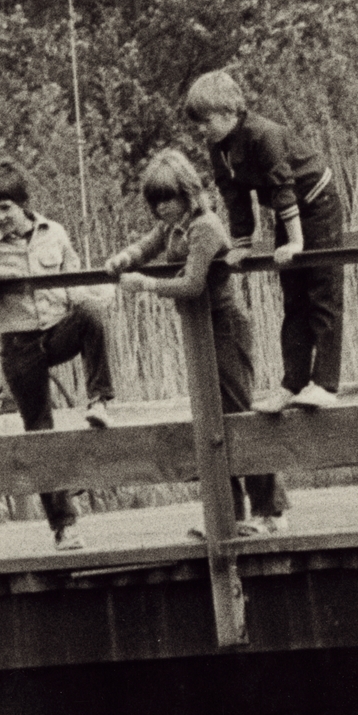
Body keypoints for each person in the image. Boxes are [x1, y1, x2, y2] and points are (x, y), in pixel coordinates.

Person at [105, 148, 289, 535]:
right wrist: (125, 258)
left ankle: (271, 511)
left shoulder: (204, 226)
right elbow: (149, 243)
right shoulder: (175, 225)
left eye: (168, 200)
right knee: (211, 421)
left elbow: (192, 285)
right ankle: (229, 515)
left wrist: (147, 284)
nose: (162, 210)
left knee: (238, 415)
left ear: (187, 192)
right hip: (199, 332)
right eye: (156, 203)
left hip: (224, 327)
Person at [0, 159, 115, 551]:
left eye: (6, 207)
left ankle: (100, 397)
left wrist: (103, 295)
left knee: (90, 314)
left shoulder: (54, 233)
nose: (0, 217)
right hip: (18, 345)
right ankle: (64, 525)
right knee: (39, 431)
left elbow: (75, 285)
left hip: (56, 330)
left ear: (23, 204)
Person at [183, 70, 345, 413]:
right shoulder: (219, 148)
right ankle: (293, 383)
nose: (201, 129)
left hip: (316, 202)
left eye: (206, 120)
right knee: (293, 298)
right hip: (290, 211)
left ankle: (326, 384)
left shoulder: (262, 134)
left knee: (322, 291)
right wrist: (242, 243)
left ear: (229, 112)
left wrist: (296, 241)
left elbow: (283, 187)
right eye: (197, 123)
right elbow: (235, 195)